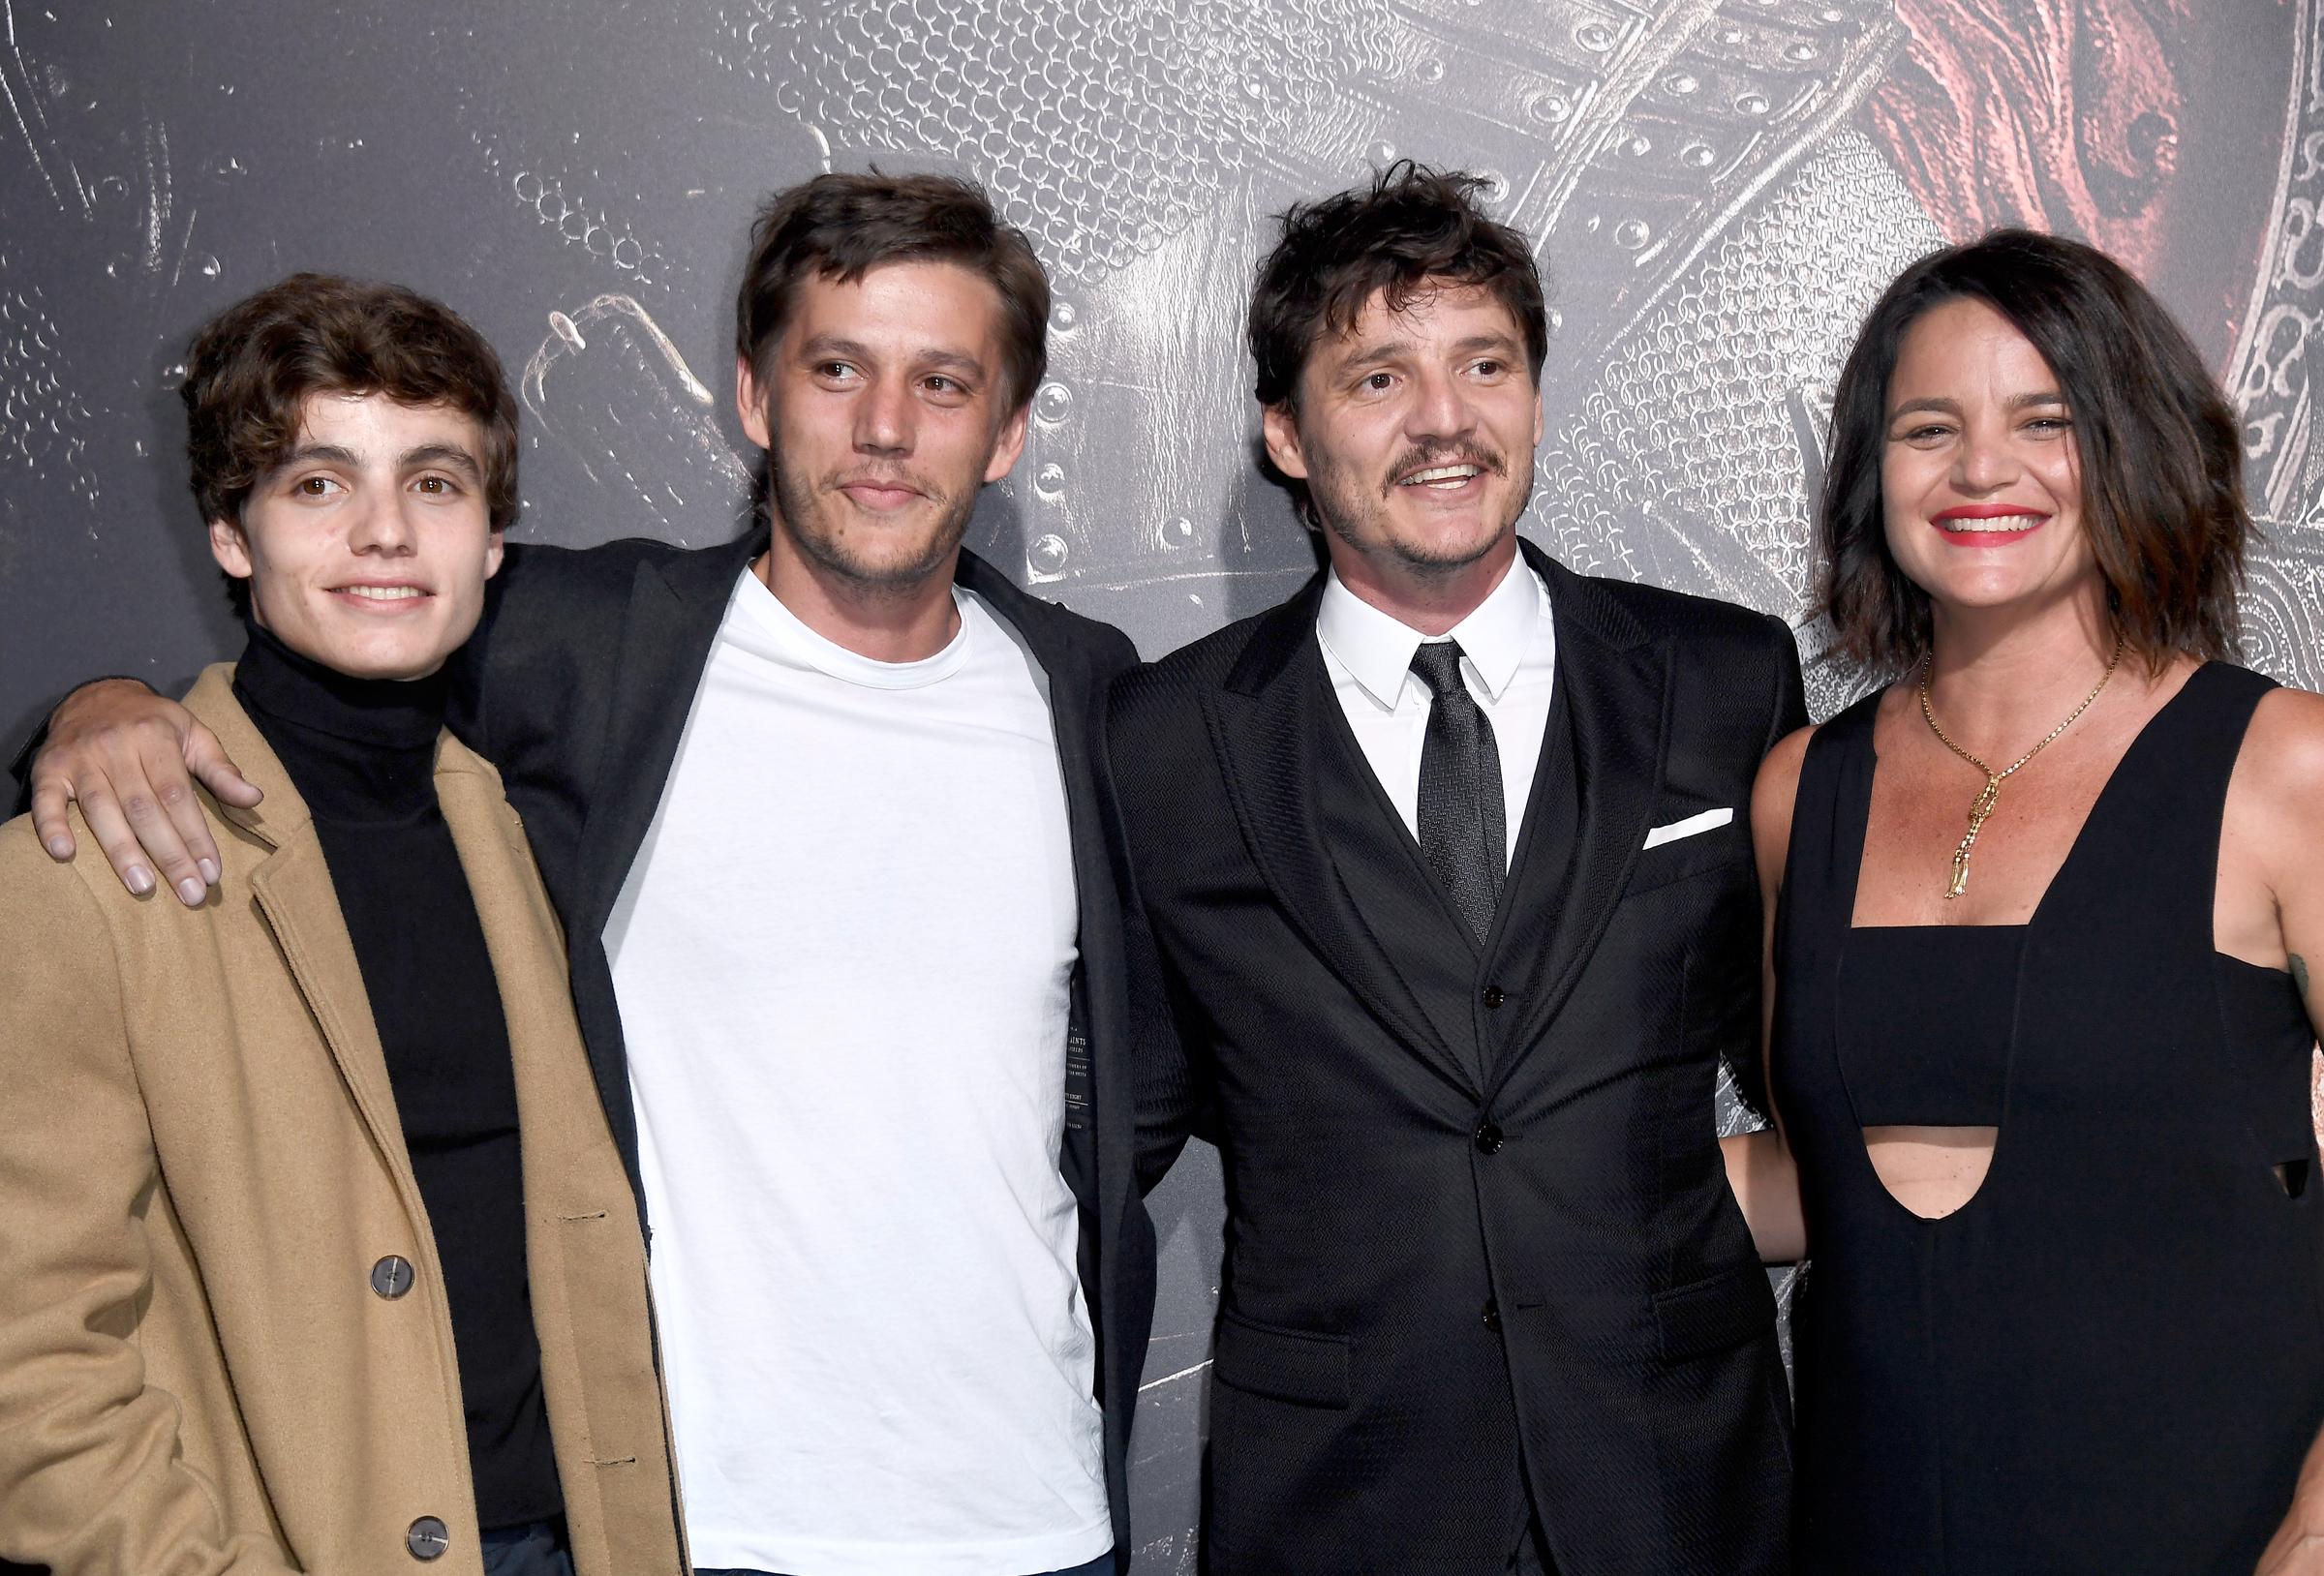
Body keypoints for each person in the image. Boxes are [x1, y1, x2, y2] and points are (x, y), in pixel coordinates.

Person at [19, 174, 1158, 1576]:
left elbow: (1154, 1079)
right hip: (695, 1524)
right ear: (753, 397)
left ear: (1010, 430)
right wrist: (96, 707)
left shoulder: (1090, 696)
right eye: (837, 368)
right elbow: (335, 647)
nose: (883, 427)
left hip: (1034, 1517)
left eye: (942, 381)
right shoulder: (582, 646)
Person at [1107, 163, 1800, 1575]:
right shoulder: (1163, 740)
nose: (1444, 419)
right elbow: (1107, 1124)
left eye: (1485, 364)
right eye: (1376, 379)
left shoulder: (1724, 681)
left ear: (1534, 396)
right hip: (1343, 1498)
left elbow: (1829, 1079)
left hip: (1682, 1485)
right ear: (1286, 435)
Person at [0, 274, 684, 1575]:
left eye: (434, 483)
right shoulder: (86, 866)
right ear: (231, 535)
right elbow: (28, 1350)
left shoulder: (542, 832)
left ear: (492, 541)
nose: (384, 532)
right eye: (320, 484)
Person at [1726, 228, 2324, 1572]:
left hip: (2215, 1525)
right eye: (1928, 427)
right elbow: (1816, 1181)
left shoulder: (2286, 767)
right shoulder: (1797, 793)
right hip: (1873, 1522)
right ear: (1873, 475)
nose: (1981, 469)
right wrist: (1482, 1209)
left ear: (2126, 444)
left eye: (2043, 420)